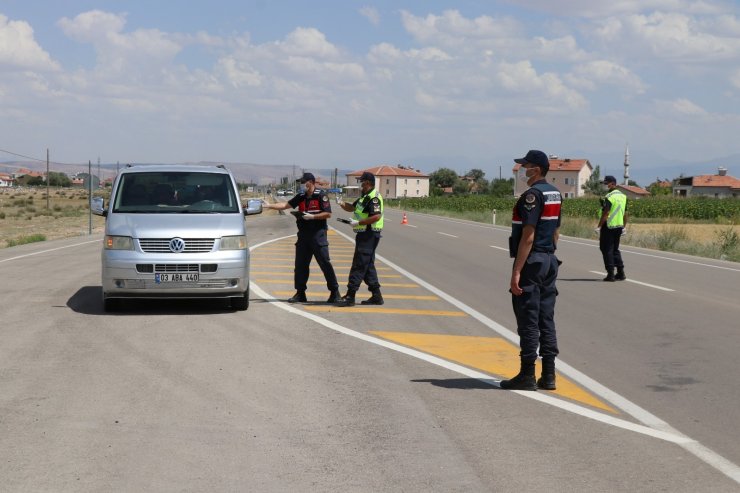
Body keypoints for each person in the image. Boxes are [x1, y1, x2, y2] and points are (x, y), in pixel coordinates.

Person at [501, 150, 562, 391]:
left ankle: (527, 374)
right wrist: (550, 254)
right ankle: (548, 375)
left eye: (525, 166)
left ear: (536, 169)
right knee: (546, 318)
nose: (522, 170)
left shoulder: (533, 195)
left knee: (528, 317)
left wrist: (517, 271)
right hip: (549, 259)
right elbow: (556, 230)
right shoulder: (554, 193)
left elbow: (528, 236)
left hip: (533, 260)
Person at [260, 173, 341, 303]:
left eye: (305, 182)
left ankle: (335, 292)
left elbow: (328, 214)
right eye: (302, 183)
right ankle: (300, 293)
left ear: (311, 182)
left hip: (318, 235)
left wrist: (313, 217)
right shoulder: (301, 196)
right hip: (303, 235)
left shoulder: (321, 195)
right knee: (300, 266)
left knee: (325, 263)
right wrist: (269, 205)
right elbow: (286, 205)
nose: (303, 185)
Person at [336, 171, 384, 306]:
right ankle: (376, 296)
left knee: (359, 264)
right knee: (368, 265)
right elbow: (352, 207)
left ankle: (350, 296)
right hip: (363, 234)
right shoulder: (364, 197)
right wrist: (341, 203)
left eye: (362, 182)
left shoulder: (373, 198)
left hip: (369, 234)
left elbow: (376, 216)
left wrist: (358, 223)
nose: (360, 184)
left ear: (368, 183)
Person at [596, 176, 628, 282]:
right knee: (615, 249)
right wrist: (624, 226)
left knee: (606, 249)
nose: (605, 185)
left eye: (606, 183)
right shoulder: (623, 196)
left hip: (608, 226)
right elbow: (625, 213)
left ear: (613, 184)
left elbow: (606, 213)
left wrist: (599, 226)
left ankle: (610, 274)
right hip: (618, 226)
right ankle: (620, 272)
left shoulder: (609, 196)